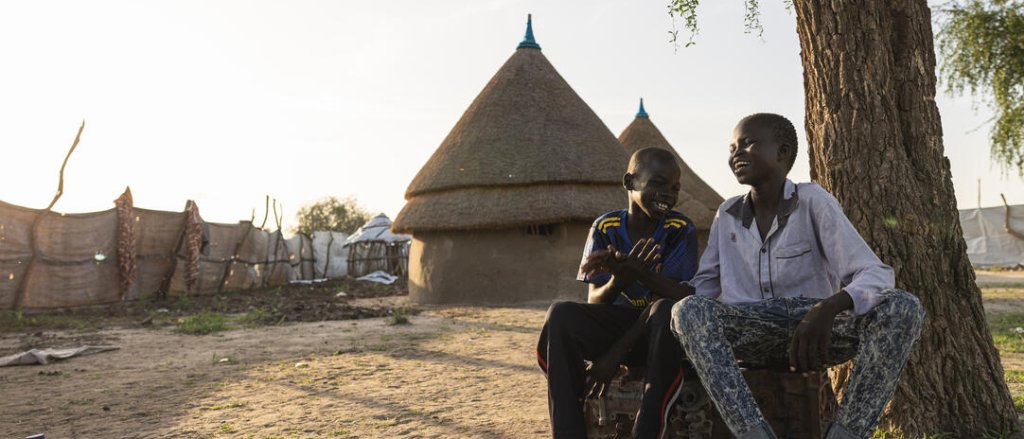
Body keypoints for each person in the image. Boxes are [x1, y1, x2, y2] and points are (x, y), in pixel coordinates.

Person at [670, 113, 925, 439]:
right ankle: (753, 434)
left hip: (816, 334)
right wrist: (641, 283)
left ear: (783, 152)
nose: (737, 154)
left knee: (903, 306)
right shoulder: (727, 214)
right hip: (751, 331)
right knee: (687, 311)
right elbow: (701, 291)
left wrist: (827, 308)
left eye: (748, 144)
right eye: (732, 147)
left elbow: (874, 273)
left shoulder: (813, 201)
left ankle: (846, 434)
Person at [536, 147, 699, 439]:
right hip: (621, 326)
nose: (669, 195)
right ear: (630, 183)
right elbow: (596, 301)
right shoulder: (605, 227)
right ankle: (568, 431)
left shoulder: (679, 229)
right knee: (560, 315)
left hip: (660, 337)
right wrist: (618, 281)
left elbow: (680, 298)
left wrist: (614, 355)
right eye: (658, 184)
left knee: (665, 311)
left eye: (675, 188)